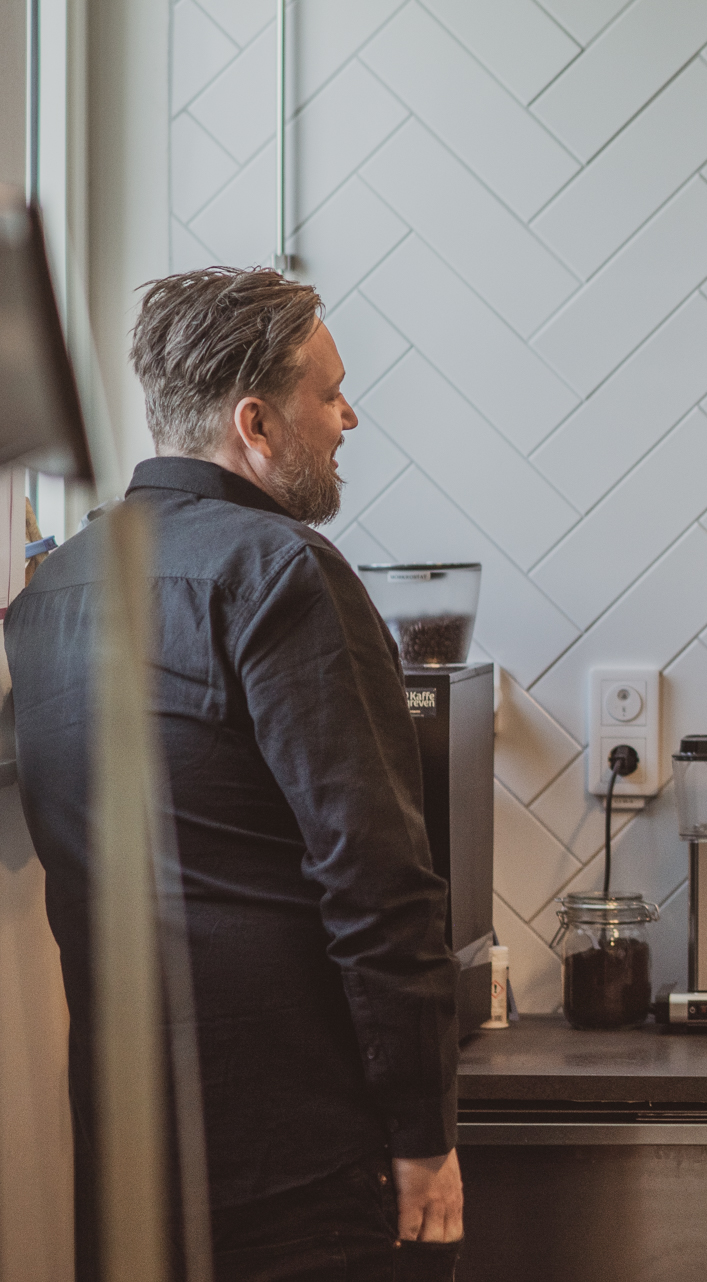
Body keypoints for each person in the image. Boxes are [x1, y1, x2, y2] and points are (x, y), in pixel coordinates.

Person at [6, 267, 464, 1278]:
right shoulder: (283, 572)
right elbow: (378, 882)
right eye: (329, 392)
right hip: (305, 1165)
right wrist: (423, 1132)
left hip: (131, 1161)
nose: (350, 416)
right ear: (255, 421)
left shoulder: (54, 591)